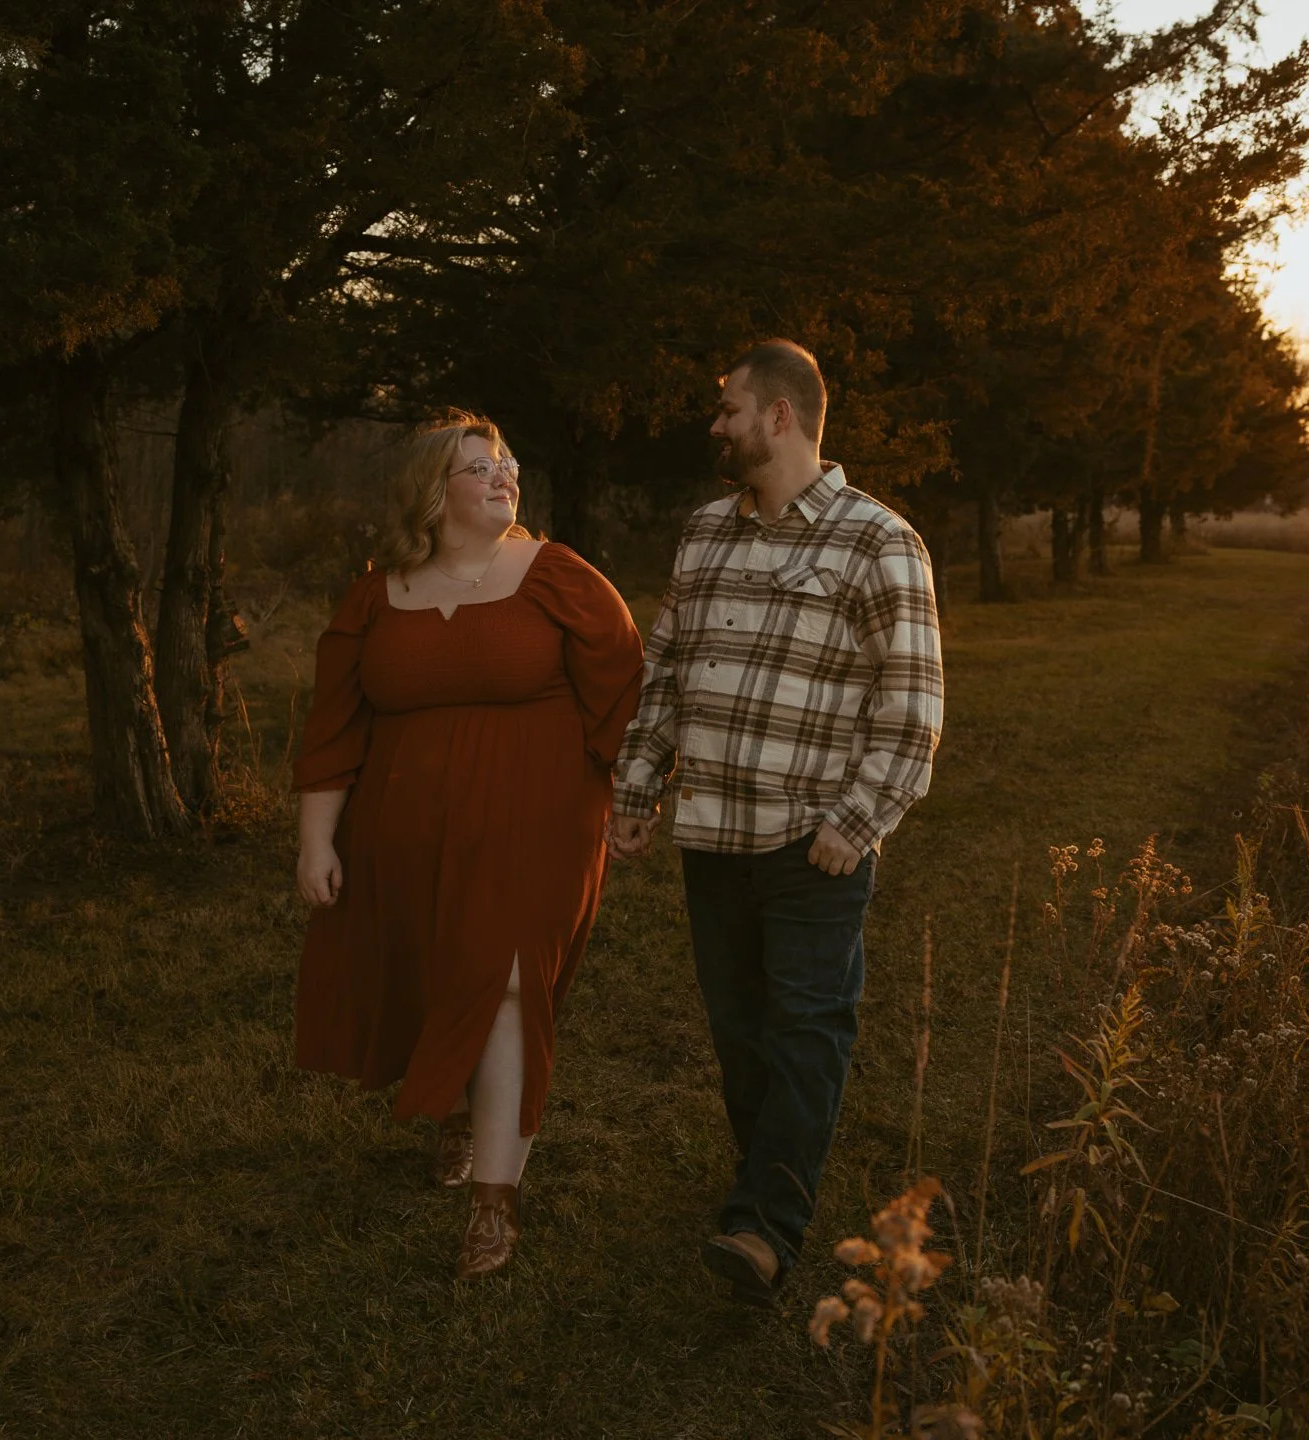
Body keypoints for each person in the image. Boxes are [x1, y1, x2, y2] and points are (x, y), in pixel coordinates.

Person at [609, 340, 944, 1305]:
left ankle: (764, 1227)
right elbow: (666, 671)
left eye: (729, 409)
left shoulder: (878, 541)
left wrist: (857, 820)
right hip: (712, 836)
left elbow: (912, 708)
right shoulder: (705, 531)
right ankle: (765, 1178)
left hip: (811, 844)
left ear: (781, 418)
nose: (717, 425)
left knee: (806, 1029)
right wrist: (638, 789)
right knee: (740, 1031)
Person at [292, 412, 643, 1280]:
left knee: (509, 984)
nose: (502, 476)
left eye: (508, 463)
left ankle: (495, 1202)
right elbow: (335, 730)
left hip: (539, 824)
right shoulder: (375, 596)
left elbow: (627, 690)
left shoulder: (557, 575)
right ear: (430, 492)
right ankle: (455, 1110)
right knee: (433, 972)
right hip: (403, 828)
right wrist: (316, 843)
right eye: (479, 466)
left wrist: (634, 793)